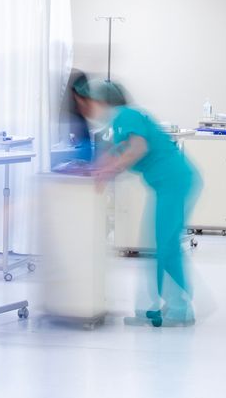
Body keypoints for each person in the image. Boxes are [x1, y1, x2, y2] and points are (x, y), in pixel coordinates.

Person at [76, 80, 199, 327]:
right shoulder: (118, 123)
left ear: (103, 102)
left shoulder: (125, 115)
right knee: (157, 243)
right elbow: (111, 152)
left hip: (173, 182)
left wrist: (108, 170)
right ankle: (154, 307)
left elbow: (137, 149)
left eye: (93, 103)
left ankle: (180, 309)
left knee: (165, 244)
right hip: (169, 184)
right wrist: (96, 170)